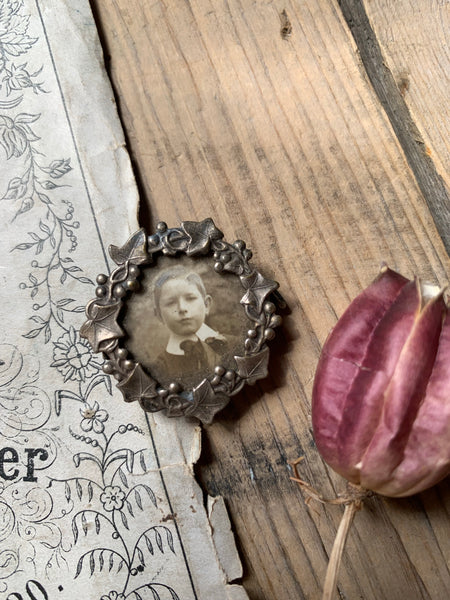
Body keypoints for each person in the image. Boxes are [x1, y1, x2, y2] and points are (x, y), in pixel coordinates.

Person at [151, 266, 232, 385]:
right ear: (158, 315)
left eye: (190, 298)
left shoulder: (231, 344)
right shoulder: (160, 368)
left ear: (206, 305)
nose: (182, 308)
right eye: (171, 303)